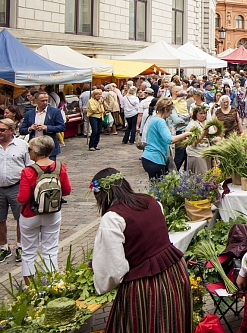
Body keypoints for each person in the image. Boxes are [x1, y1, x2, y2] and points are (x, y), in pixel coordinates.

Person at [91, 168, 193, 332]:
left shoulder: (112, 218)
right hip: (175, 273)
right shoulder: (151, 201)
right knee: (172, 323)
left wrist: (100, 280)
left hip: (147, 286)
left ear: (102, 195)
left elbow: (114, 270)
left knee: (144, 325)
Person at [17, 135, 71, 282]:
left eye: (29, 150)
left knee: (28, 252)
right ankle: (52, 284)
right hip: (53, 213)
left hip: (30, 214)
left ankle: (30, 288)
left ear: (36, 151)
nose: (28, 153)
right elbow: (66, 190)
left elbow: (22, 198)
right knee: (50, 250)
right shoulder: (59, 167)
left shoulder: (28, 171)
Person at [0, 118, 30, 262]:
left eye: (2, 130)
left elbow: (29, 166)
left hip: (17, 186)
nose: (0, 132)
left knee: (20, 218)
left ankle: (20, 246)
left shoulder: (22, 145)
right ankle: (3, 247)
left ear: (12, 130)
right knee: (0, 219)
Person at [141, 98, 192, 179]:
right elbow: (170, 139)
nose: (171, 113)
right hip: (155, 158)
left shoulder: (154, 119)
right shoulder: (160, 121)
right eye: (171, 110)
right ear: (165, 109)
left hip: (149, 157)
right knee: (159, 187)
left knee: (155, 186)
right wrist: (186, 134)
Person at [20, 92, 66, 160]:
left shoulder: (55, 112)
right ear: (36, 101)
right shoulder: (29, 113)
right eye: (42, 101)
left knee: (49, 169)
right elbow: (22, 130)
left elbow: (62, 127)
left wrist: (47, 128)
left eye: (46, 100)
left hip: (49, 147)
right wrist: (30, 128)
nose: (45, 102)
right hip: (34, 148)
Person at [185, 105, 212, 174]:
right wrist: (203, 134)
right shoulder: (192, 125)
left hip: (206, 152)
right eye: (201, 113)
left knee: (208, 176)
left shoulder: (207, 123)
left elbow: (212, 136)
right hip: (196, 154)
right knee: (201, 176)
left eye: (204, 113)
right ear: (195, 114)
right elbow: (193, 143)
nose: (203, 115)